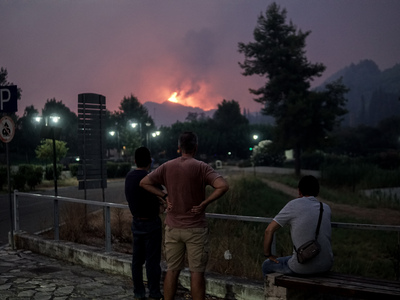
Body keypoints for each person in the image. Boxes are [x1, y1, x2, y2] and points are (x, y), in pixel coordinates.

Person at [140, 132, 229, 300]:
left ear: (179, 148)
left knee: (172, 271)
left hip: (172, 227)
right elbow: (223, 186)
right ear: (195, 148)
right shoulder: (201, 167)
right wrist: (205, 203)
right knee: (197, 273)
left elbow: (144, 182)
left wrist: (165, 196)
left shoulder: (167, 166)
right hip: (195, 228)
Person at [262, 175, 333, 276]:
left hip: (302, 267)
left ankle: (269, 292)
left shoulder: (293, 205)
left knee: (266, 265)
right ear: (317, 192)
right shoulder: (326, 208)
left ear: (299, 191)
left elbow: (269, 230)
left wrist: (268, 254)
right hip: (326, 265)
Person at [125, 147, 165, 300]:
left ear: (135, 161)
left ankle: (139, 292)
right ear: (150, 161)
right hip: (151, 224)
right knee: (152, 261)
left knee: (137, 261)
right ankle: (154, 293)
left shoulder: (129, 177)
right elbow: (163, 198)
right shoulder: (150, 178)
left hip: (136, 223)